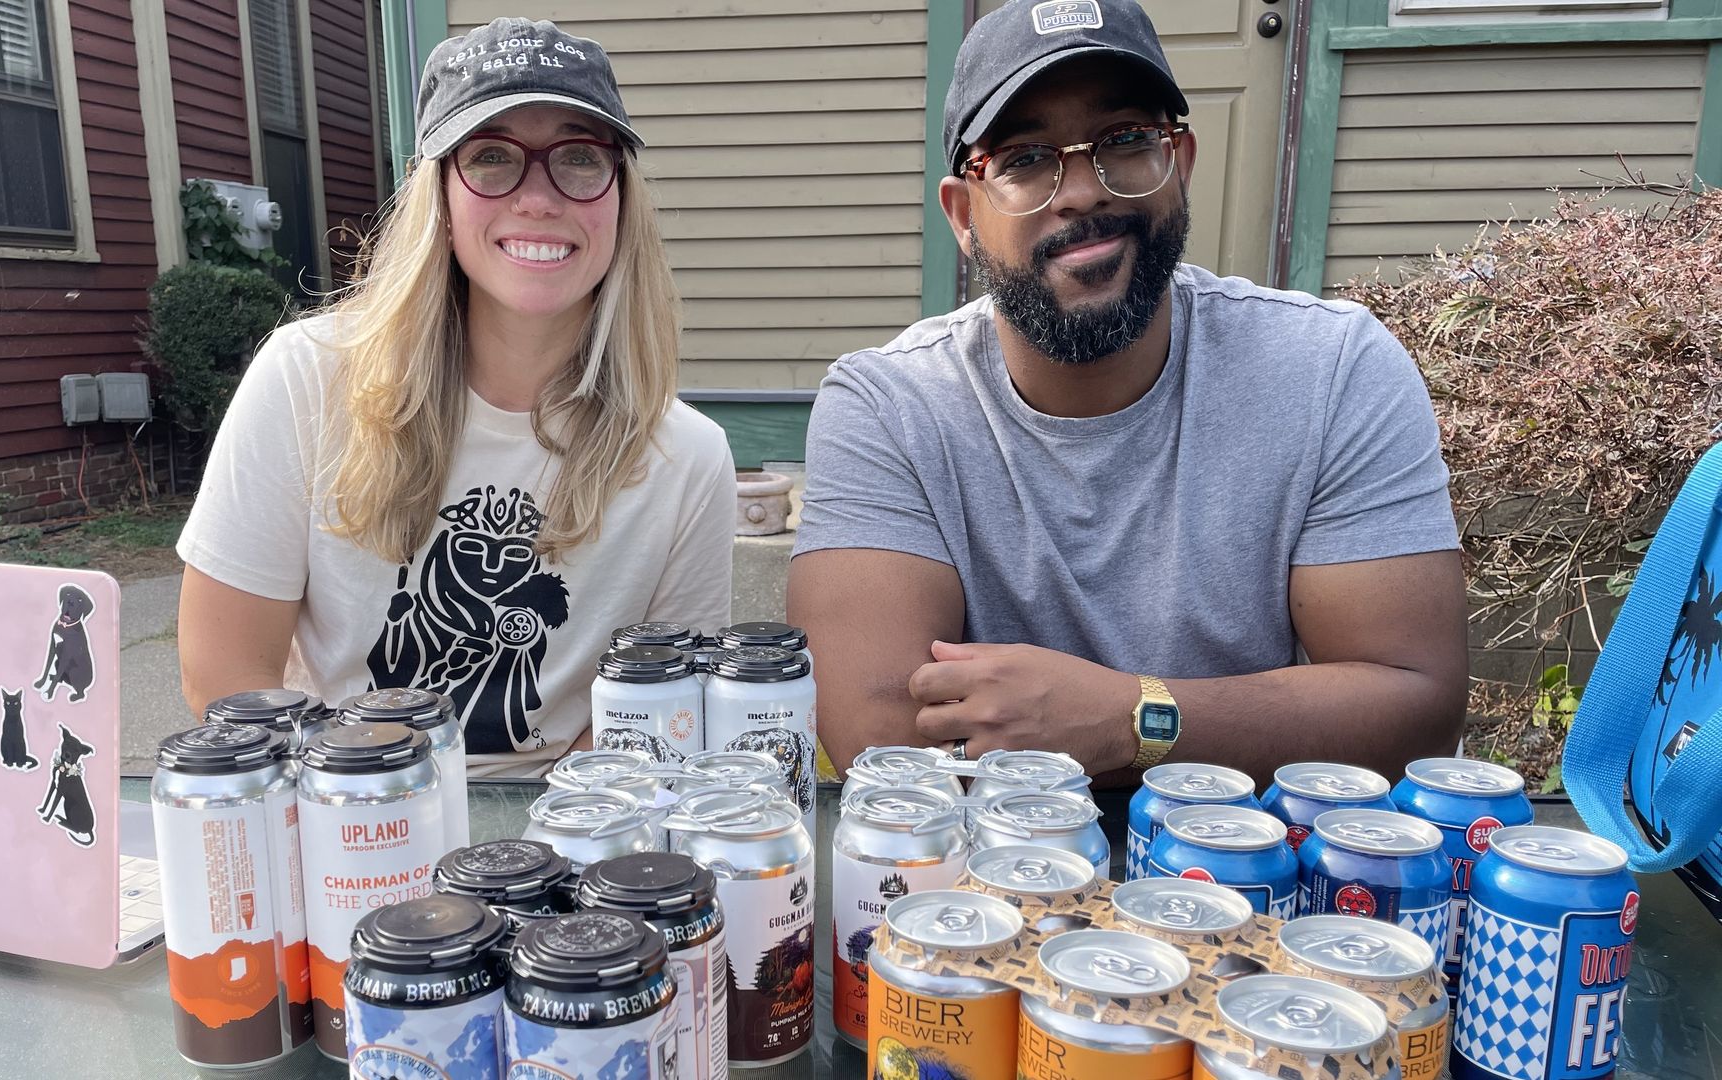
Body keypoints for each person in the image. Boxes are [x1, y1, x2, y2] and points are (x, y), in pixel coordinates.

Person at [788, 0, 1467, 787]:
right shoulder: (889, 406)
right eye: (1024, 159)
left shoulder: (1332, 367)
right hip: (979, 887)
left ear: (1179, 160)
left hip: (1247, 873)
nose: (1080, 191)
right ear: (962, 214)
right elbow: (885, 737)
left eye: (1125, 141)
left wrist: (1128, 717)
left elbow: (1412, 707)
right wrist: (1249, 723)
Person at [176, 18, 734, 776]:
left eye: (579, 157)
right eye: (492, 157)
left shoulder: (687, 457)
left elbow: (662, 712)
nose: (538, 198)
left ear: (621, 199)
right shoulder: (305, 379)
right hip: (345, 814)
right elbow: (224, 674)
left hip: (563, 846)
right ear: (435, 191)